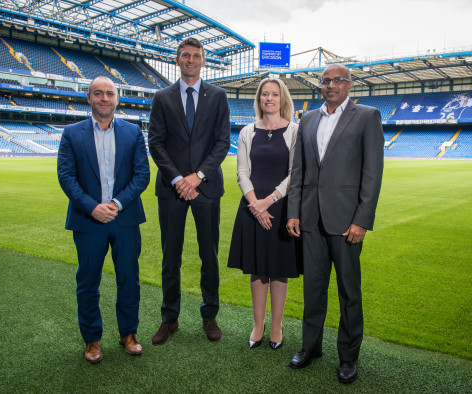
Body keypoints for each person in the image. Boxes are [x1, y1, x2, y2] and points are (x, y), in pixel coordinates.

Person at [286, 64, 384, 384]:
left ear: (349, 85)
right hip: (311, 220)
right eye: (326, 80)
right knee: (313, 291)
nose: (330, 85)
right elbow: (299, 170)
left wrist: (362, 220)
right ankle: (311, 347)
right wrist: (294, 212)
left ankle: (348, 357)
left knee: (348, 293)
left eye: (337, 80)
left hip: (346, 223)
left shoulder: (367, 116)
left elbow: (372, 173)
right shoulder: (309, 119)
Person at [57, 76, 150, 364]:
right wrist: (93, 207)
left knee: (129, 280)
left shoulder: (133, 132)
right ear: (89, 98)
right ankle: (92, 339)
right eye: (98, 93)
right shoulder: (72, 133)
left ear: (117, 99)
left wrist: (117, 203)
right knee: (87, 282)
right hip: (88, 221)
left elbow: (142, 175)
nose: (104, 98)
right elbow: (66, 177)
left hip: (124, 219)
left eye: (109, 93)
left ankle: (128, 334)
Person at [148, 37, 230, 345]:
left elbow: (222, 142)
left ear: (203, 60)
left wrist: (197, 177)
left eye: (196, 55)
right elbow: (155, 143)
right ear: (177, 59)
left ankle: (210, 316)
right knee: (171, 257)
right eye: (185, 55)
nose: (191, 60)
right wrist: (179, 180)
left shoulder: (218, 96)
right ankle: (170, 319)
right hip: (172, 191)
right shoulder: (162, 97)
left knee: (209, 255)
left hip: (207, 189)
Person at [227, 78, 301, 350]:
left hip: (281, 208)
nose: (269, 98)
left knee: (279, 271)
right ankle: (258, 325)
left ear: (283, 99)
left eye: (274, 94)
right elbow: (242, 172)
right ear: (258, 99)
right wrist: (255, 203)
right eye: (264, 94)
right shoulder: (247, 131)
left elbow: (295, 174)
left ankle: (277, 326)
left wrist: (268, 201)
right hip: (251, 206)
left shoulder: (295, 130)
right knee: (258, 270)